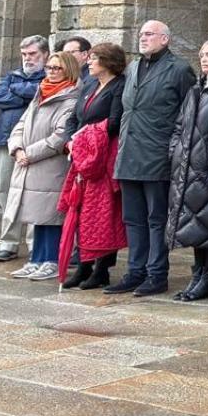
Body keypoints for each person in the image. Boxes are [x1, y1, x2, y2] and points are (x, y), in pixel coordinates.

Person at [109, 20, 196, 296]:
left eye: (149, 34)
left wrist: (176, 150)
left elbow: (188, 115)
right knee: (133, 218)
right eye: (141, 34)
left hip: (158, 154)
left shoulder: (180, 69)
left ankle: (156, 274)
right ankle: (135, 271)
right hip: (129, 153)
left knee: (156, 218)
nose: (143, 38)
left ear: (165, 39)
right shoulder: (133, 68)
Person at [166, 39, 208, 302]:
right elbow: (179, 126)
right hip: (186, 168)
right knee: (195, 224)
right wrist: (175, 152)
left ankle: (207, 277)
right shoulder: (196, 89)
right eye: (202, 55)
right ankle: (198, 275)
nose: (204, 59)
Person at [3, 51, 80, 281]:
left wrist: (30, 154)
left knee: (51, 217)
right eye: (49, 68)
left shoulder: (71, 97)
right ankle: (35, 259)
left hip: (50, 166)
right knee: (37, 216)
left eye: (58, 68)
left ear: (69, 70)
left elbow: (59, 136)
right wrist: (16, 149)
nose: (52, 72)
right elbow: (21, 124)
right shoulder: (41, 92)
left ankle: (51, 261)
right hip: (27, 163)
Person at [59, 43, 128, 289]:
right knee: (79, 209)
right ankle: (83, 266)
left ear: (109, 62)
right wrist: (71, 139)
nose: (89, 61)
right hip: (82, 154)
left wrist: (86, 135)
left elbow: (115, 121)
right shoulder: (89, 85)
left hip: (104, 155)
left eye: (95, 58)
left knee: (102, 212)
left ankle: (102, 269)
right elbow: (73, 117)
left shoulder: (119, 86)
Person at [0, 35, 48, 263]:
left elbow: (41, 95)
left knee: (34, 193)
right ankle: (8, 243)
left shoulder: (50, 75)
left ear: (44, 54)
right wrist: (27, 92)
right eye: (24, 54)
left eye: (33, 54)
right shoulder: (12, 75)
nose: (28, 59)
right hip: (7, 141)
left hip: (35, 143)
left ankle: (34, 244)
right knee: (5, 192)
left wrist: (21, 91)